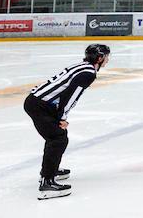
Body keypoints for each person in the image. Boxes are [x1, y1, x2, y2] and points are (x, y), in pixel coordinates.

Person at [25, 43, 110, 199]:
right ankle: (47, 182)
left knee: (56, 137)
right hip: (41, 105)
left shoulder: (82, 66)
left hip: (38, 102)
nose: (107, 60)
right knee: (58, 138)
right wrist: (62, 117)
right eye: (106, 57)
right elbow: (70, 96)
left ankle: (50, 171)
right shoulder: (88, 73)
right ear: (99, 58)